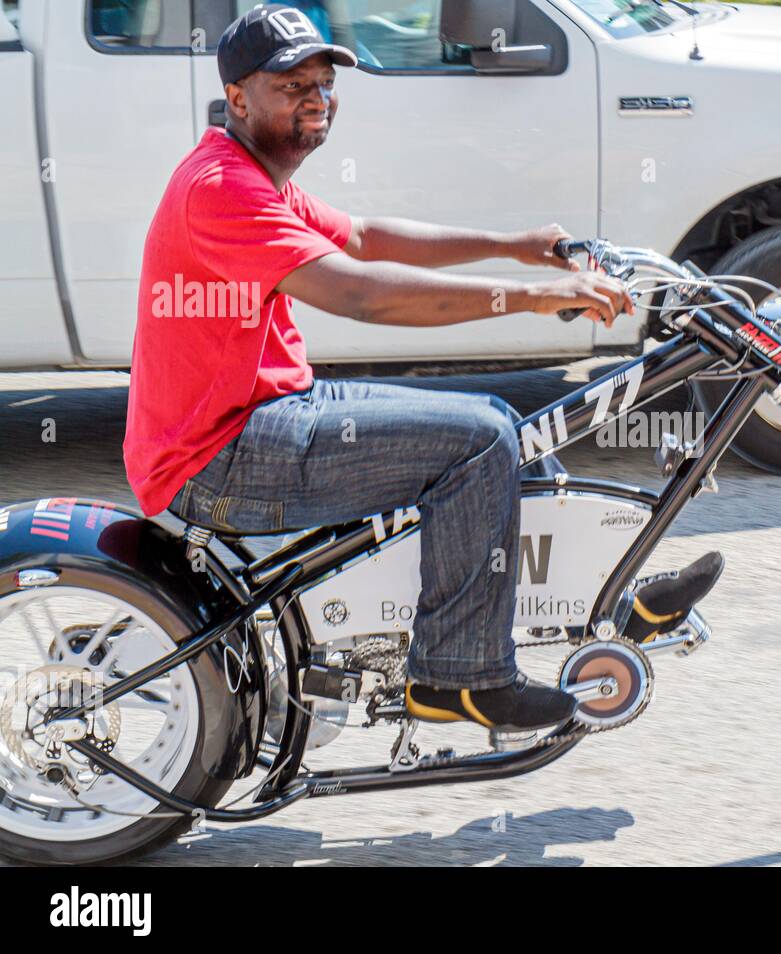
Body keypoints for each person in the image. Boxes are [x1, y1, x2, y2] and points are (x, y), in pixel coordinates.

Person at [123, 4, 632, 732]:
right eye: (290, 83)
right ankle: (458, 677)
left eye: (324, 82)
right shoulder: (224, 189)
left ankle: (593, 603)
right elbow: (359, 293)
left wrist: (513, 244)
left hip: (258, 417)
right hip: (221, 456)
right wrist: (536, 295)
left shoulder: (253, 173)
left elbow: (362, 238)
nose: (315, 97)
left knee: (493, 419)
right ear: (238, 97)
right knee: (479, 441)